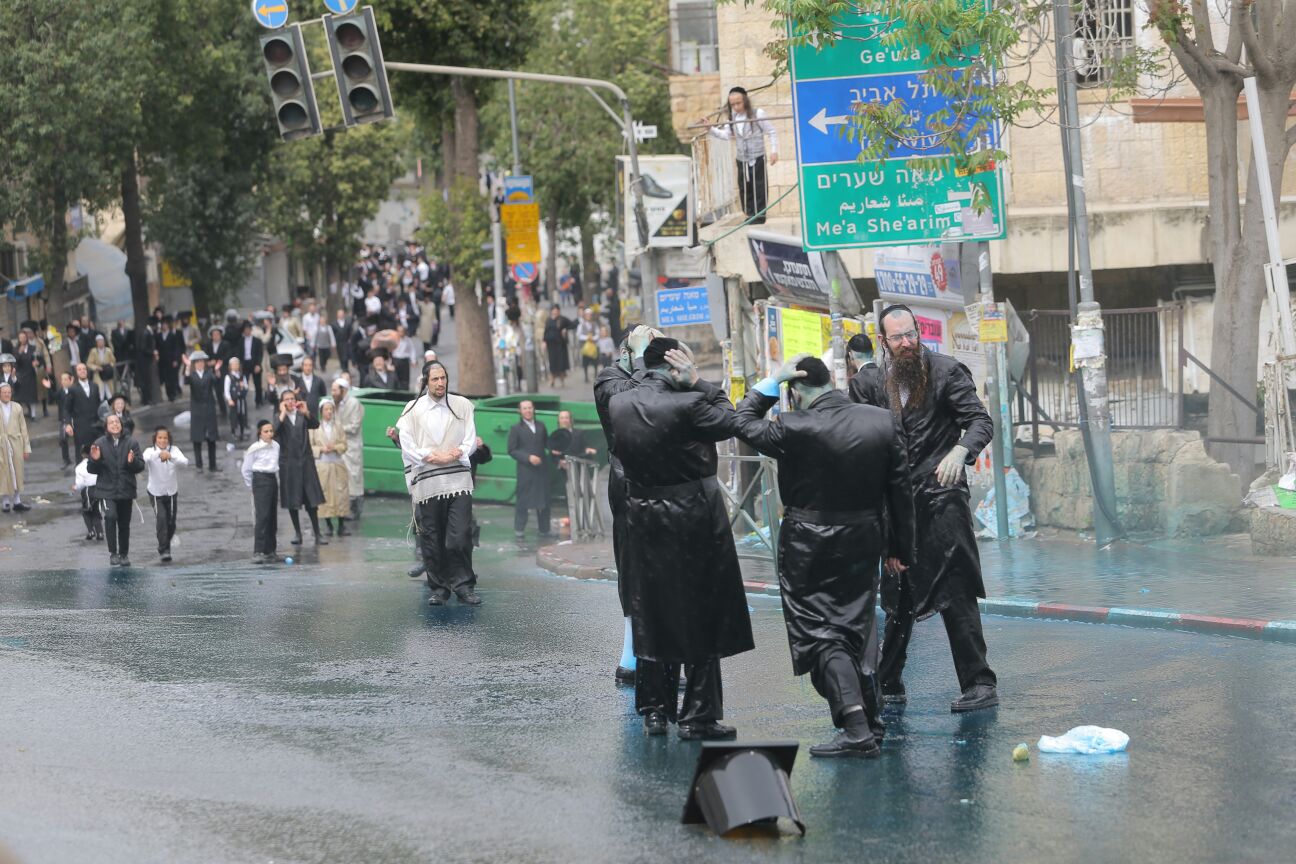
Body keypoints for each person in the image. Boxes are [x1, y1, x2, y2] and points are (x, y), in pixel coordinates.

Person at [735, 355, 915, 757]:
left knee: (821, 632)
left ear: (795, 393)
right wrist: (900, 547)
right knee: (858, 624)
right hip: (865, 535)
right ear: (832, 381)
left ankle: (855, 725)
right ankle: (872, 718)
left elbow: (740, 422)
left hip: (808, 541)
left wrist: (769, 382)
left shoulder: (792, 425)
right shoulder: (880, 420)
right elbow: (900, 488)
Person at [849, 304, 999, 713]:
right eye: (897, 337)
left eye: (911, 334)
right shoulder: (870, 384)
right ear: (883, 342)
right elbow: (857, 436)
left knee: (956, 587)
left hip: (941, 494)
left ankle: (979, 682)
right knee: (897, 594)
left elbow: (980, 422)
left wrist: (960, 451)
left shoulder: (947, 371)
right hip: (895, 505)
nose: (907, 343)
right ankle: (889, 680)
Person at [609, 337, 754, 740]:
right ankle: (699, 716)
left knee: (652, 613)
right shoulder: (691, 403)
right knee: (701, 616)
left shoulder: (619, 404)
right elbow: (733, 421)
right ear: (675, 365)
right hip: (694, 515)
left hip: (644, 517)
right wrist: (702, 383)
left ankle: (655, 709)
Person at [593, 327, 657, 685]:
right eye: (646, 350)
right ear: (627, 351)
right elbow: (632, 406)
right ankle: (631, 657)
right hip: (629, 481)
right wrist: (644, 358)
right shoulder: (610, 380)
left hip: (664, 485)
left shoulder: (652, 375)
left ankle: (657, 653)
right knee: (633, 568)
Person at [394, 359, 480, 606]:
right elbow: (407, 444)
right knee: (432, 538)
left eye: (443, 378)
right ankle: (440, 588)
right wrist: (431, 456)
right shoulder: (412, 409)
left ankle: (464, 585)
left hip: (457, 480)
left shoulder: (461, 405)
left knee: (460, 536)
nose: (441, 383)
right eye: (435, 379)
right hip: (428, 483)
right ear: (426, 381)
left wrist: (454, 454)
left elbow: (471, 440)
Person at [705, 86, 779, 223]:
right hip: (741, 159)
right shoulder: (731, 118)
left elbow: (772, 131)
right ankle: (750, 215)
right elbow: (726, 135)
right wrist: (711, 129)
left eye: (738, 103)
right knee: (745, 188)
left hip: (757, 156)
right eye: (732, 104)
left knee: (759, 187)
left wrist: (774, 151)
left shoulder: (758, 113)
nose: (736, 106)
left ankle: (760, 216)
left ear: (745, 100)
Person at [88, 413, 145, 567]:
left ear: (121, 424)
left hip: (126, 489)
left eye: (117, 422)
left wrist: (132, 462)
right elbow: (91, 469)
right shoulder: (99, 443)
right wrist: (96, 459)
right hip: (106, 490)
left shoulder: (131, 442)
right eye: (111, 422)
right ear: (106, 427)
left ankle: (124, 554)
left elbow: (140, 466)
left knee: (124, 523)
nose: (114, 424)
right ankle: (113, 553)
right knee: (111, 516)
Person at [273, 387, 326, 546]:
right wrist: (282, 413)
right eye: (286, 399)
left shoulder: (301, 416)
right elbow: (274, 432)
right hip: (288, 464)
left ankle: (317, 533)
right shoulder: (278, 417)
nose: (290, 402)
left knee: (311, 500)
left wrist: (306, 411)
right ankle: (297, 533)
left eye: (292, 398)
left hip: (305, 462)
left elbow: (316, 424)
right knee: (292, 499)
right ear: (282, 403)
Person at [142, 426, 188, 563]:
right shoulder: (150, 451)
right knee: (161, 518)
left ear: (169, 439)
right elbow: (144, 459)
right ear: (155, 439)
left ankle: (165, 543)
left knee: (171, 522)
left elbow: (185, 462)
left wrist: (170, 456)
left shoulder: (174, 450)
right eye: (160, 438)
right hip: (155, 493)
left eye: (165, 438)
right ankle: (164, 550)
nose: (162, 440)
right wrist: (159, 454)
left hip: (171, 491)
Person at [507, 400, 550, 541]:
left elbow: (547, 444)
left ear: (534, 409)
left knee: (543, 501)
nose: (528, 410)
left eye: (530, 407)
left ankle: (544, 530)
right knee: (523, 501)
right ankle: (519, 530)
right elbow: (512, 450)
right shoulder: (515, 428)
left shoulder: (541, 426)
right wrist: (528, 457)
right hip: (525, 470)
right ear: (520, 411)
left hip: (541, 469)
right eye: (524, 408)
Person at [242, 420, 281, 563]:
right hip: (260, 479)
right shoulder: (255, 448)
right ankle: (258, 551)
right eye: (266, 431)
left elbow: (275, 465)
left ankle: (270, 550)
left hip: (272, 479)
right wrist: (251, 486)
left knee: (272, 516)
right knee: (262, 516)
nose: (269, 434)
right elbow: (246, 469)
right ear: (260, 433)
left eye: (271, 431)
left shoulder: (276, 446)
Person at [311, 398, 351, 536]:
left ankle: (341, 524)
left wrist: (334, 447)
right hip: (322, 465)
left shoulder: (338, 426)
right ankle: (328, 525)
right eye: (326, 410)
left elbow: (344, 445)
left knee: (340, 493)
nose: (329, 412)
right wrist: (321, 449)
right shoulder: (315, 427)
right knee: (325, 494)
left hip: (337, 464)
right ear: (321, 412)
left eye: (331, 410)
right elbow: (310, 447)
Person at [331, 378, 366, 523]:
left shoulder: (354, 403)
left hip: (352, 446)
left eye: (335, 390)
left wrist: (337, 430)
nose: (332, 393)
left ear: (343, 390)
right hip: (340, 446)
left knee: (354, 476)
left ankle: (355, 510)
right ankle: (344, 508)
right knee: (342, 476)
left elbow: (354, 426)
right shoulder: (335, 403)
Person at [182, 351, 221, 472]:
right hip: (197, 409)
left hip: (209, 408)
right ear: (195, 364)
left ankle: (212, 465)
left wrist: (217, 370)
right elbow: (186, 381)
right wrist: (188, 366)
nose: (200, 364)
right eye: (197, 362)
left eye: (201, 362)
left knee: (211, 439)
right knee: (197, 438)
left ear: (204, 363)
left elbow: (216, 381)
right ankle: (199, 465)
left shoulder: (209, 373)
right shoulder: (192, 375)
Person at [0, 381, 32, 513]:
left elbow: (23, 428)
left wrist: (26, 448)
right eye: (4, 392)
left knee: (18, 470)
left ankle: (17, 500)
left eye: (9, 392)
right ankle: (5, 501)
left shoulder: (17, 407)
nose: (7, 395)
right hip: (2, 444)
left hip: (16, 443)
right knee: (3, 472)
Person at [66, 363, 102, 457]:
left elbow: (99, 404)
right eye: (79, 369)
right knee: (81, 453)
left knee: (97, 452)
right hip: (81, 427)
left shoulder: (95, 386)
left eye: (84, 369)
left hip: (96, 425)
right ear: (76, 373)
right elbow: (67, 409)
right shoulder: (72, 389)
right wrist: (68, 424)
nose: (82, 371)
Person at [74, 444, 104, 541]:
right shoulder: (97, 463)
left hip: (87, 490)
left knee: (86, 511)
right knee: (96, 511)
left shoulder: (79, 467)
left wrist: (75, 487)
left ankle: (91, 531)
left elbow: (80, 483)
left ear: (82, 454)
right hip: (98, 488)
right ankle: (100, 532)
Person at [12, 330, 44, 419]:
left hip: (30, 373)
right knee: (22, 395)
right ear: (18, 339)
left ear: (26, 338)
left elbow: (41, 359)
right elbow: (15, 362)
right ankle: (23, 413)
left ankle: (33, 414)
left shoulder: (33, 348)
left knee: (31, 394)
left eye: (24, 337)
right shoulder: (15, 349)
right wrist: (19, 352)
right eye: (20, 338)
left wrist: (38, 363)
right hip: (21, 374)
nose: (22, 339)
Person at [225, 357, 250, 442]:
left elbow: (246, 387)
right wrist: (229, 399)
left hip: (241, 400)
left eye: (237, 364)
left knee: (242, 416)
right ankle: (234, 432)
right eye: (233, 365)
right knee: (234, 416)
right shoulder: (228, 377)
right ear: (230, 366)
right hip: (234, 400)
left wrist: (244, 387)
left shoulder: (242, 376)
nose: (235, 366)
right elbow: (226, 390)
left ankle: (242, 432)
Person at [56, 371, 75, 467]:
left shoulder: (75, 390)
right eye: (62, 379)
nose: (63, 381)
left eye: (65, 379)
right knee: (63, 439)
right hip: (64, 418)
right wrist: (49, 388)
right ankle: (66, 459)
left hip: (75, 418)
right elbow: (54, 399)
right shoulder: (60, 392)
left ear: (71, 380)